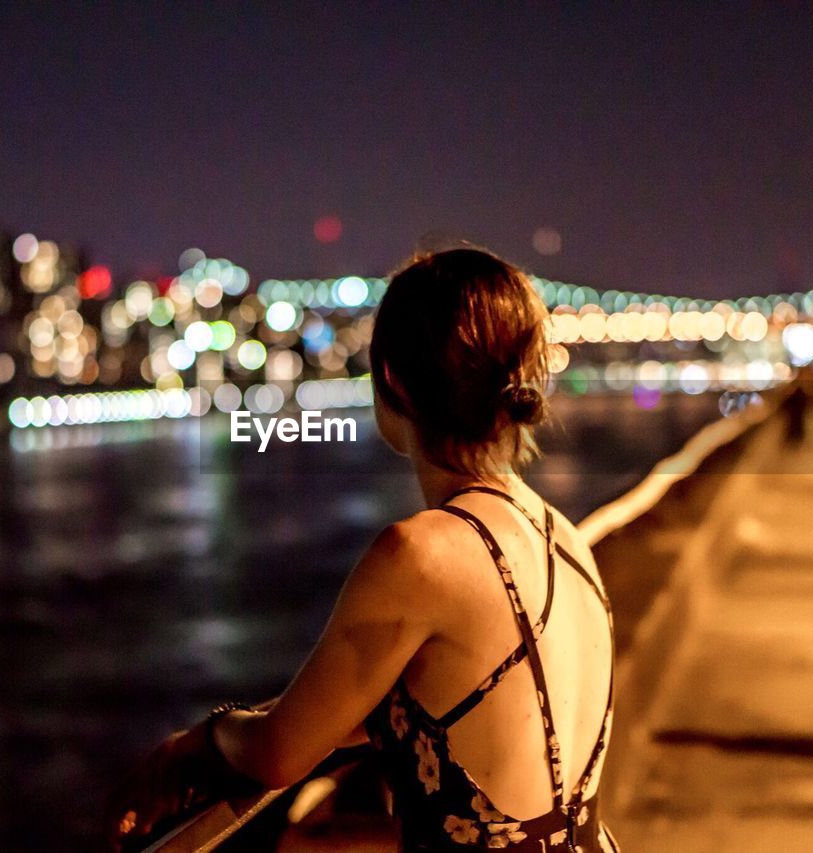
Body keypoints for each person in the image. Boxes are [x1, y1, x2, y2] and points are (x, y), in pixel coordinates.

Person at [107, 247, 620, 851]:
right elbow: (384, 703)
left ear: (393, 382)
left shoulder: (419, 555)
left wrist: (202, 742)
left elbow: (278, 753)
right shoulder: (568, 542)